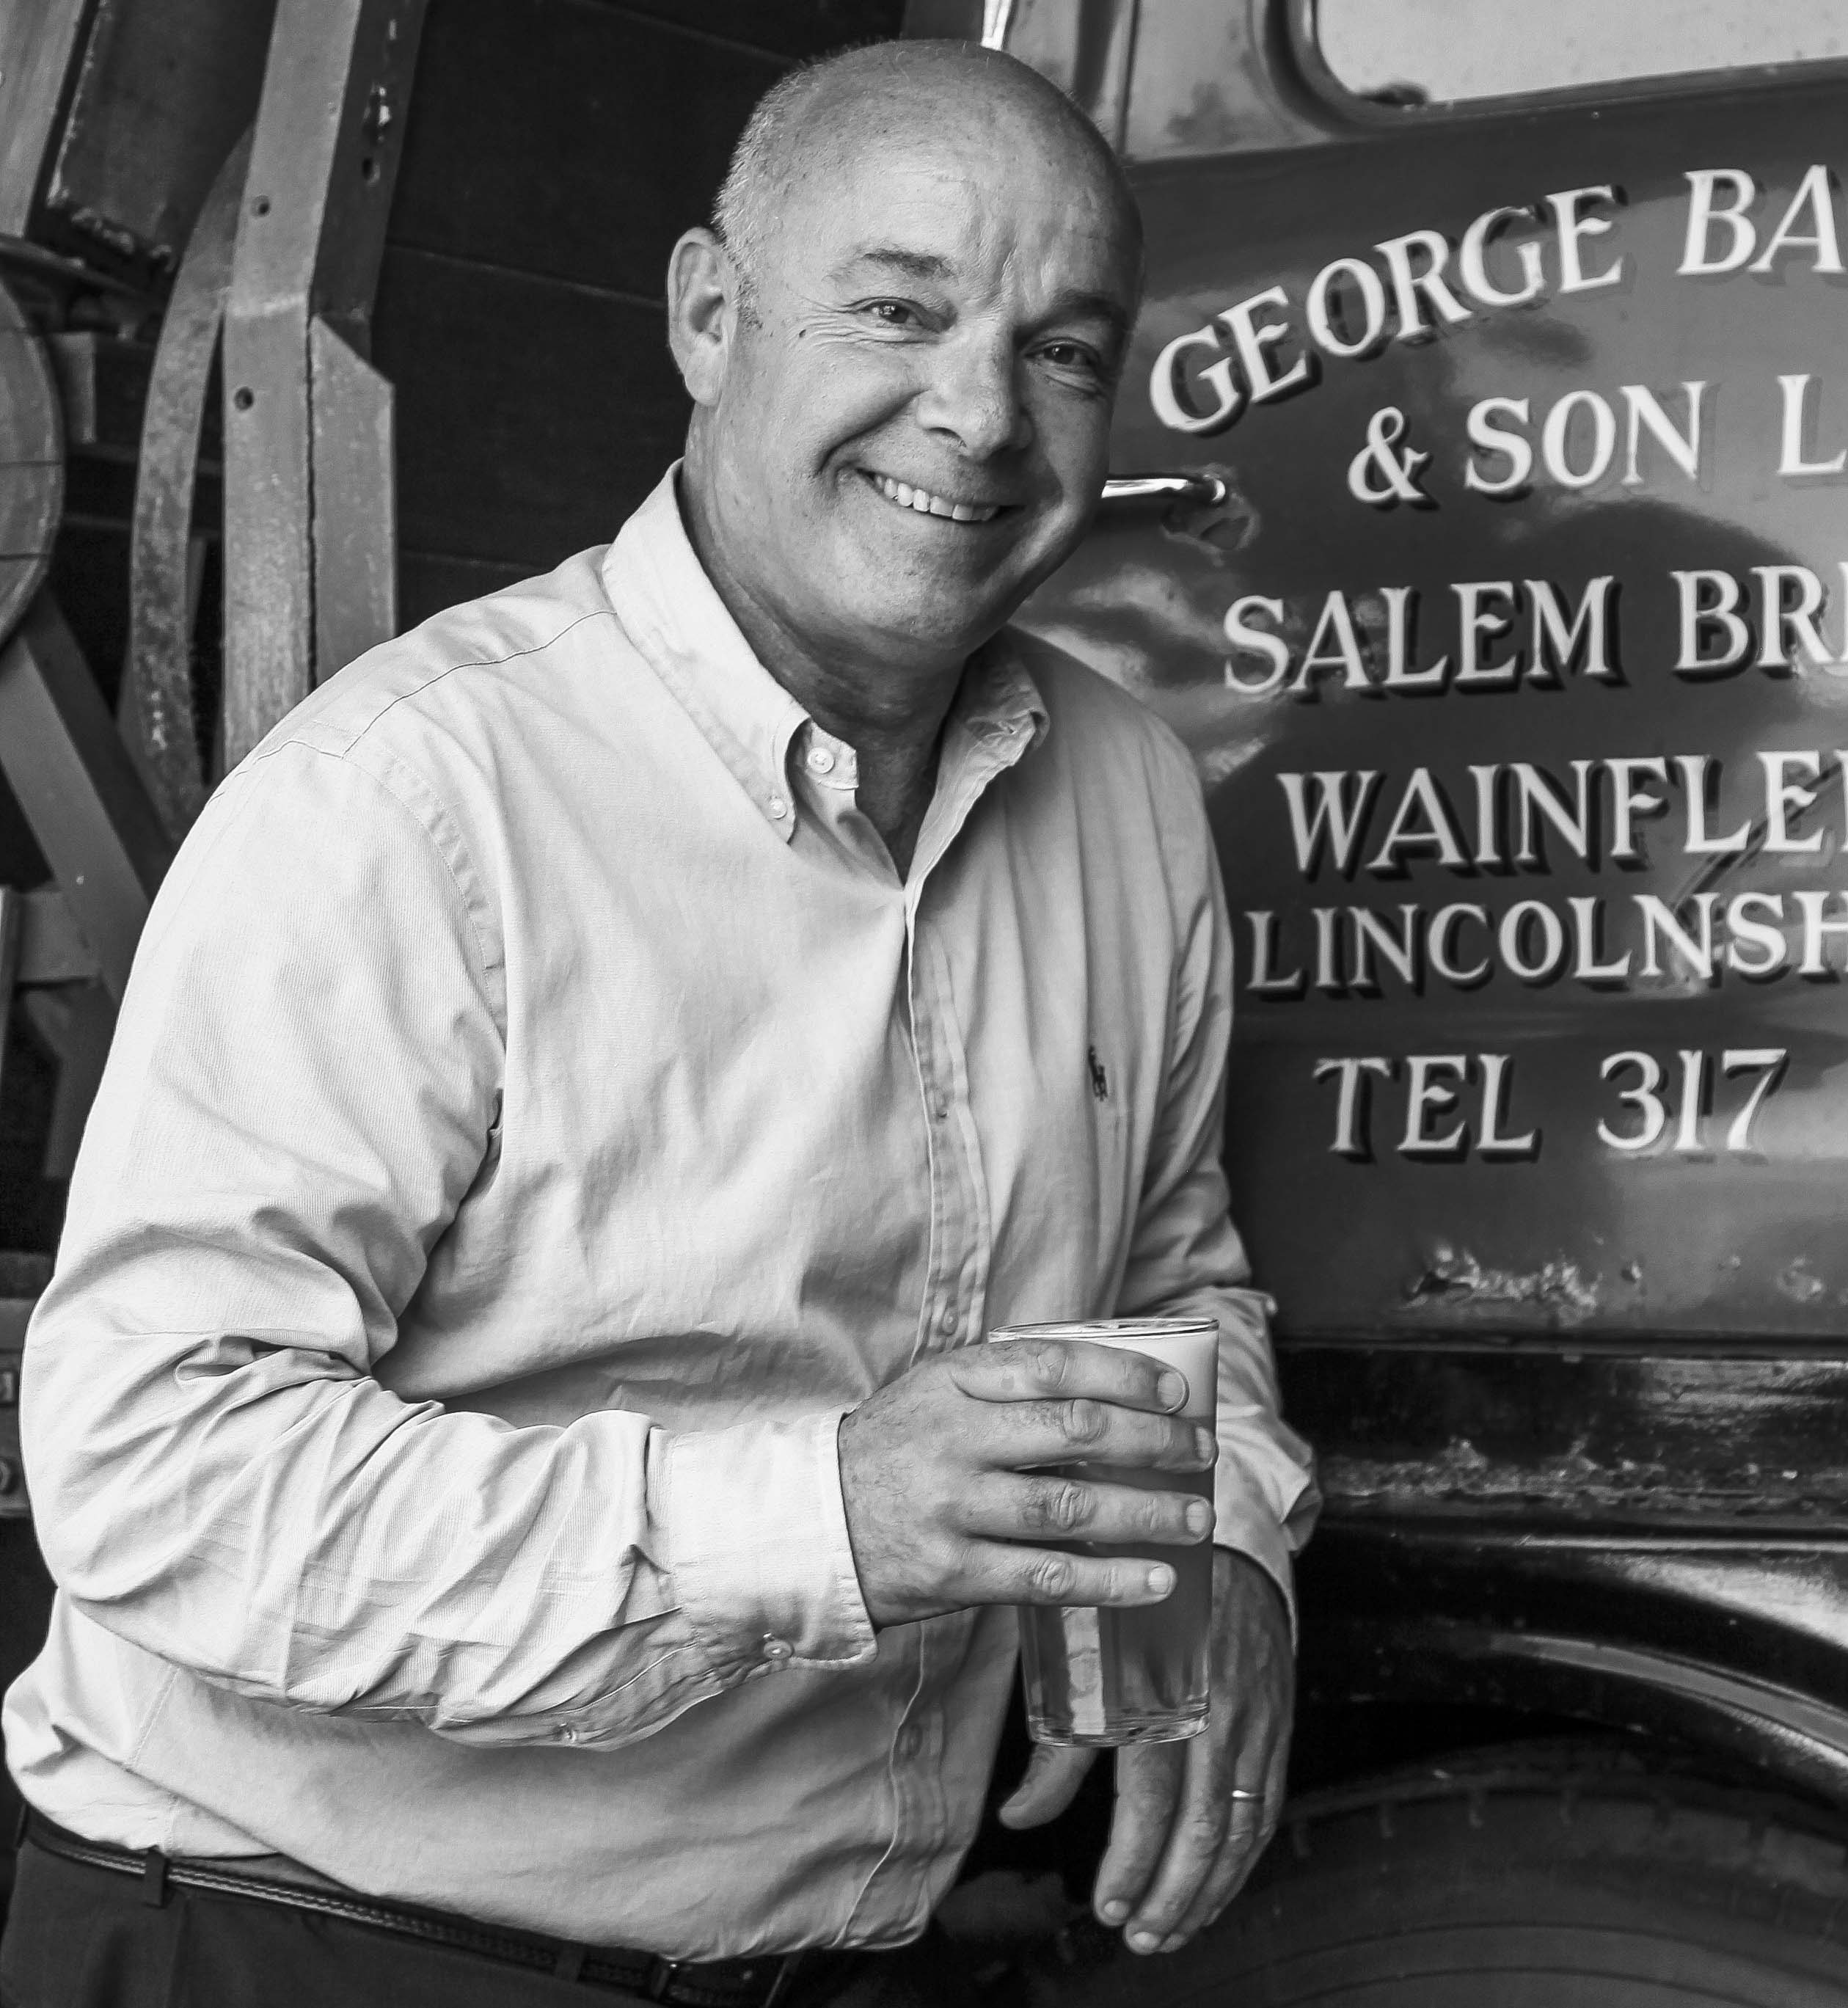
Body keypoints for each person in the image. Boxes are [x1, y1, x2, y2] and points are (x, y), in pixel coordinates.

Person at [0, 37, 1315, 2008]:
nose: (977, 413)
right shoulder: (416, 799)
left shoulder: (1123, 789)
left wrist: (1230, 1550)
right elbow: (153, 1471)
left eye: (1062, 349)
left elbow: (1170, 1278)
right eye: (902, 308)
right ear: (711, 315)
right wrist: (824, 1511)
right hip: (309, 1944)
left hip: (846, 1961)